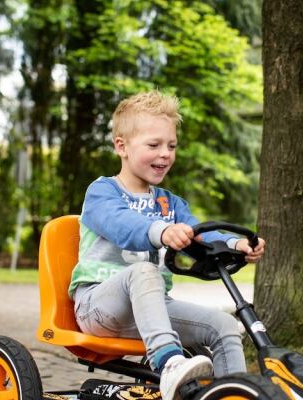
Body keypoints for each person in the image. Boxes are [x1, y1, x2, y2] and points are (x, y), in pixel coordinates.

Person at [68, 90, 266, 400]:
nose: (165, 154)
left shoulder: (169, 204)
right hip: (100, 307)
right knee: (144, 271)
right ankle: (169, 363)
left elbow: (200, 235)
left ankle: (233, 394)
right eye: (154, 145)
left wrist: (235, 244)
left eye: (171, 146)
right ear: (121, 146)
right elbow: (122, 225)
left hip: (152, 309)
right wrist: (161, 231)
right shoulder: (102, 192)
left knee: (225, 327)